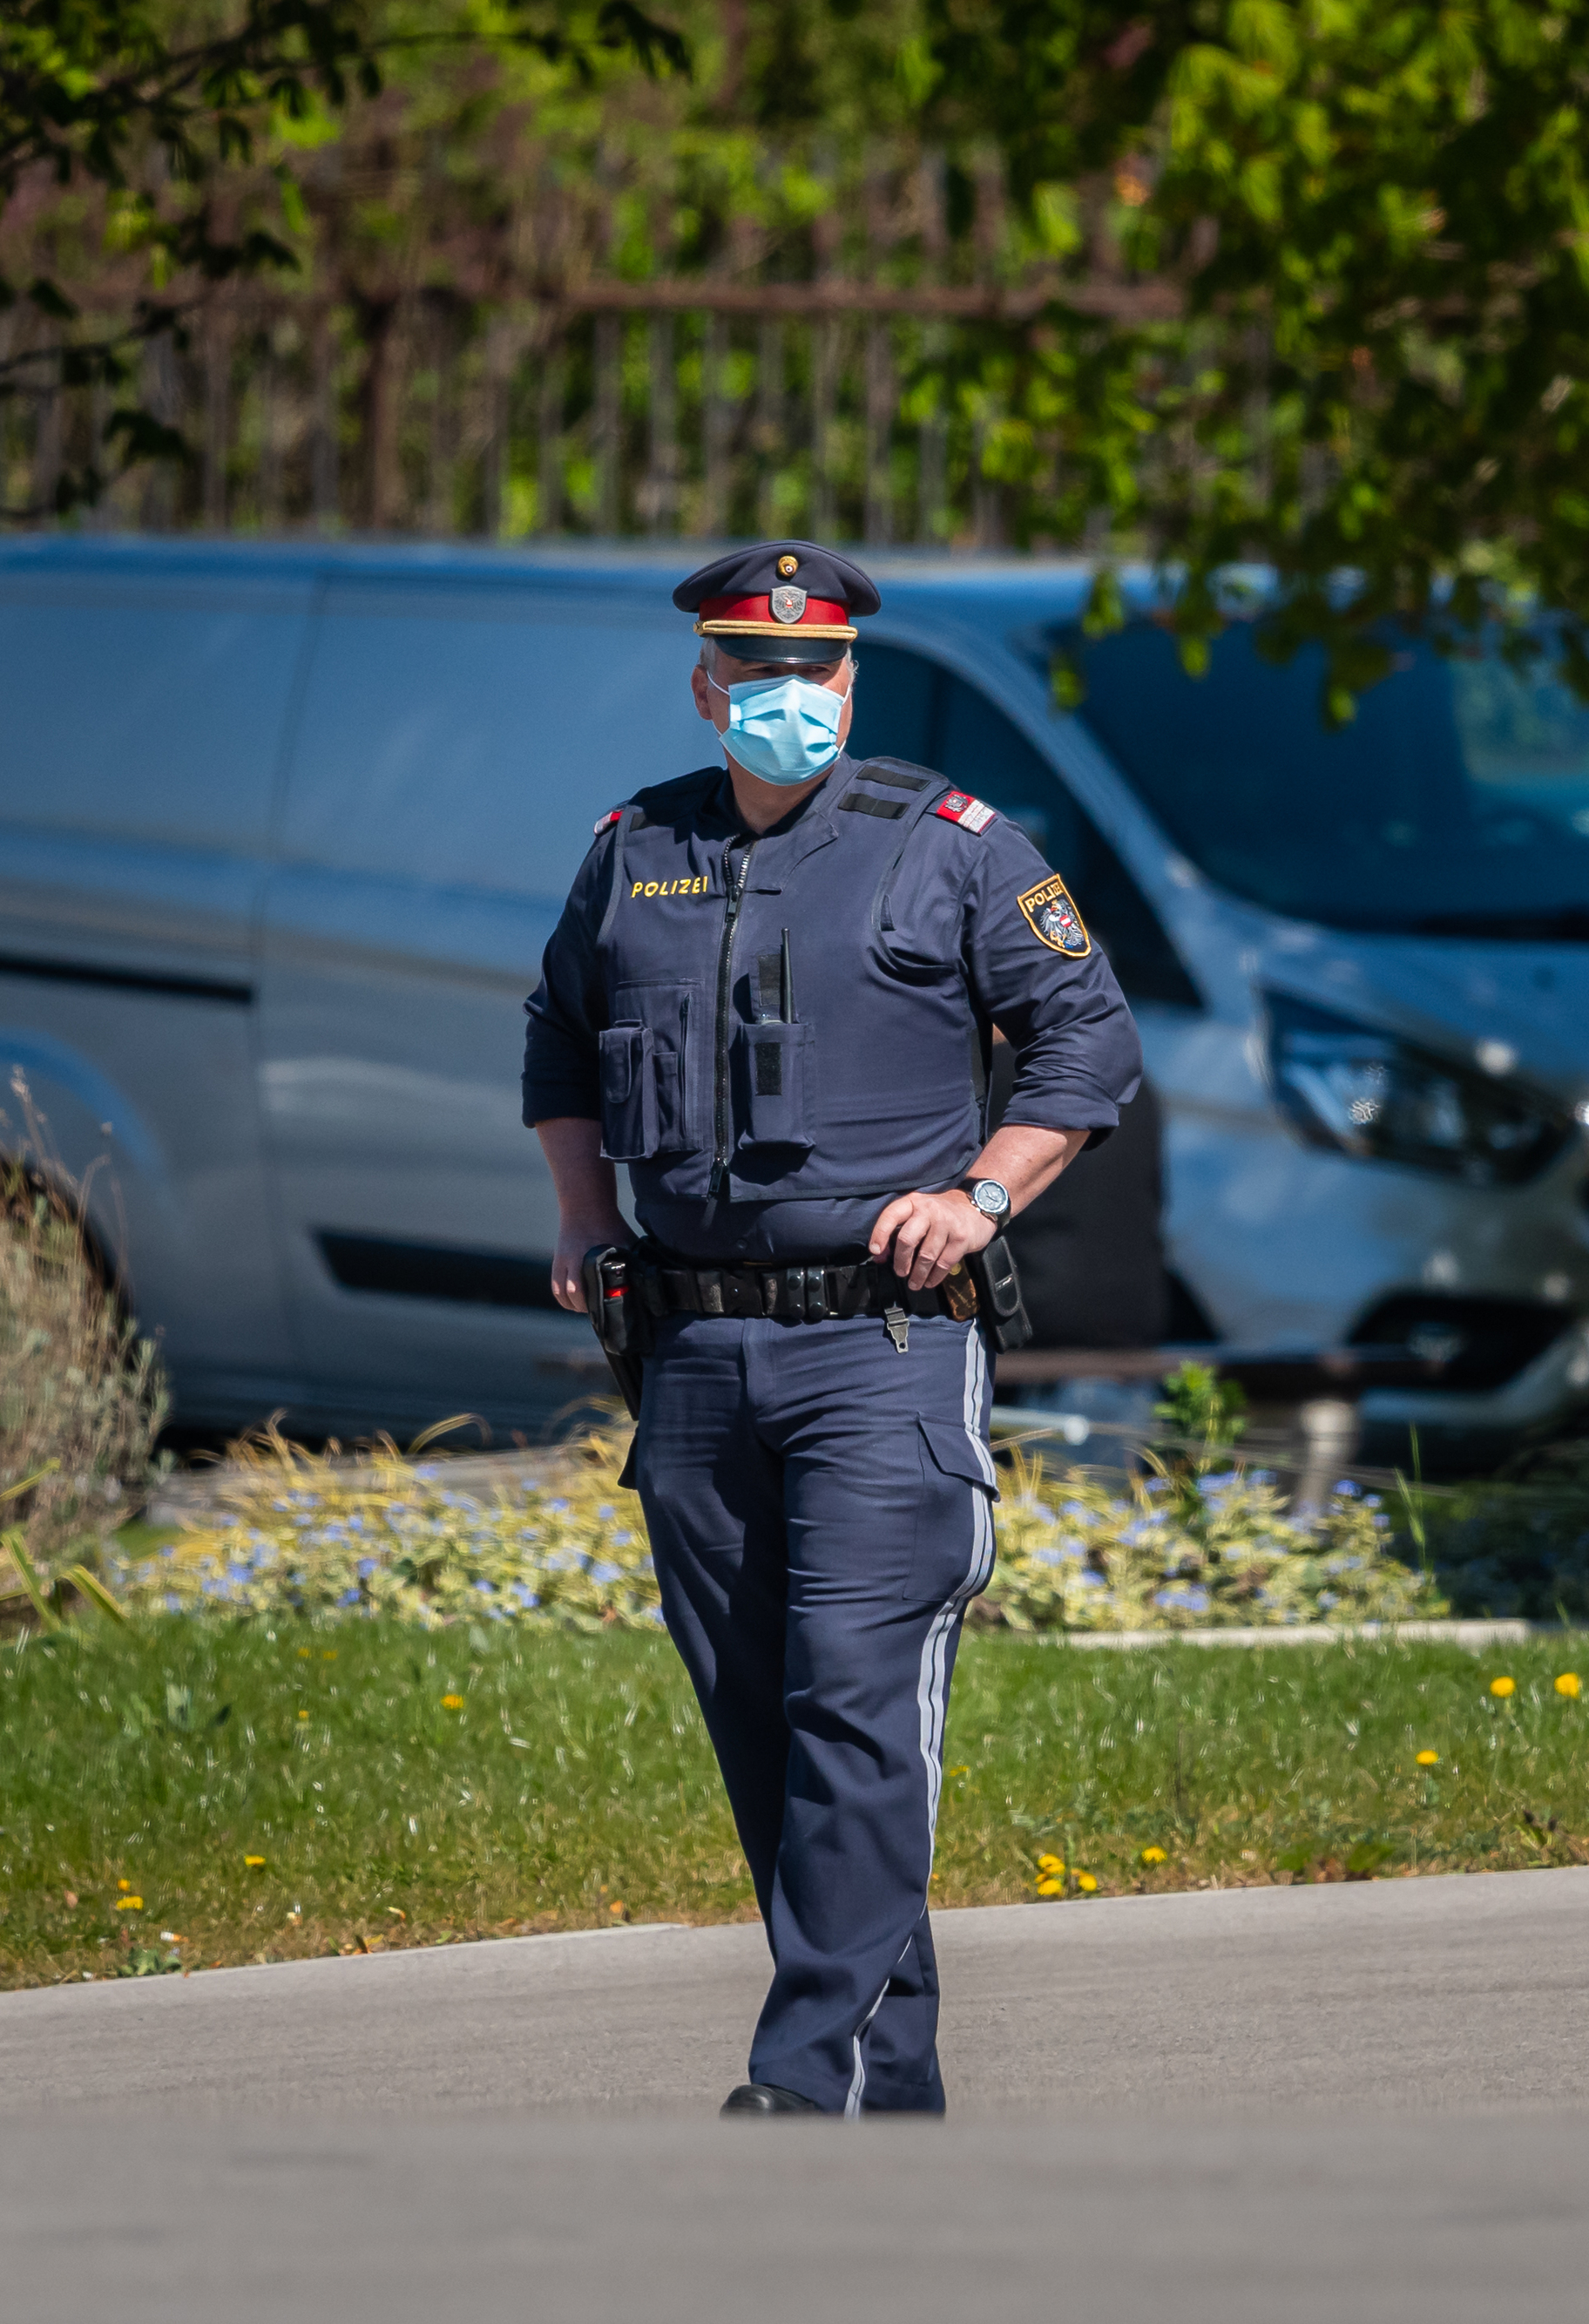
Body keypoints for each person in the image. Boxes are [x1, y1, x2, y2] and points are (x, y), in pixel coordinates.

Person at [520, 542, 1142, 2117]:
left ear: (850, 680)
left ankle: (801, 2098)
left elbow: (1088, 1040)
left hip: (885, 1354)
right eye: (751, 670)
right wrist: (584, 1221)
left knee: (855, 1714)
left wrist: (987, 1198)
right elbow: (558, 1042)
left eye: (811, 672)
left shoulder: (954, 846)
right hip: (692, 1361)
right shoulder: (632, 845)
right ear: (704, 682)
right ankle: (886, 2110)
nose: (781, 694)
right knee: (768, 1749)